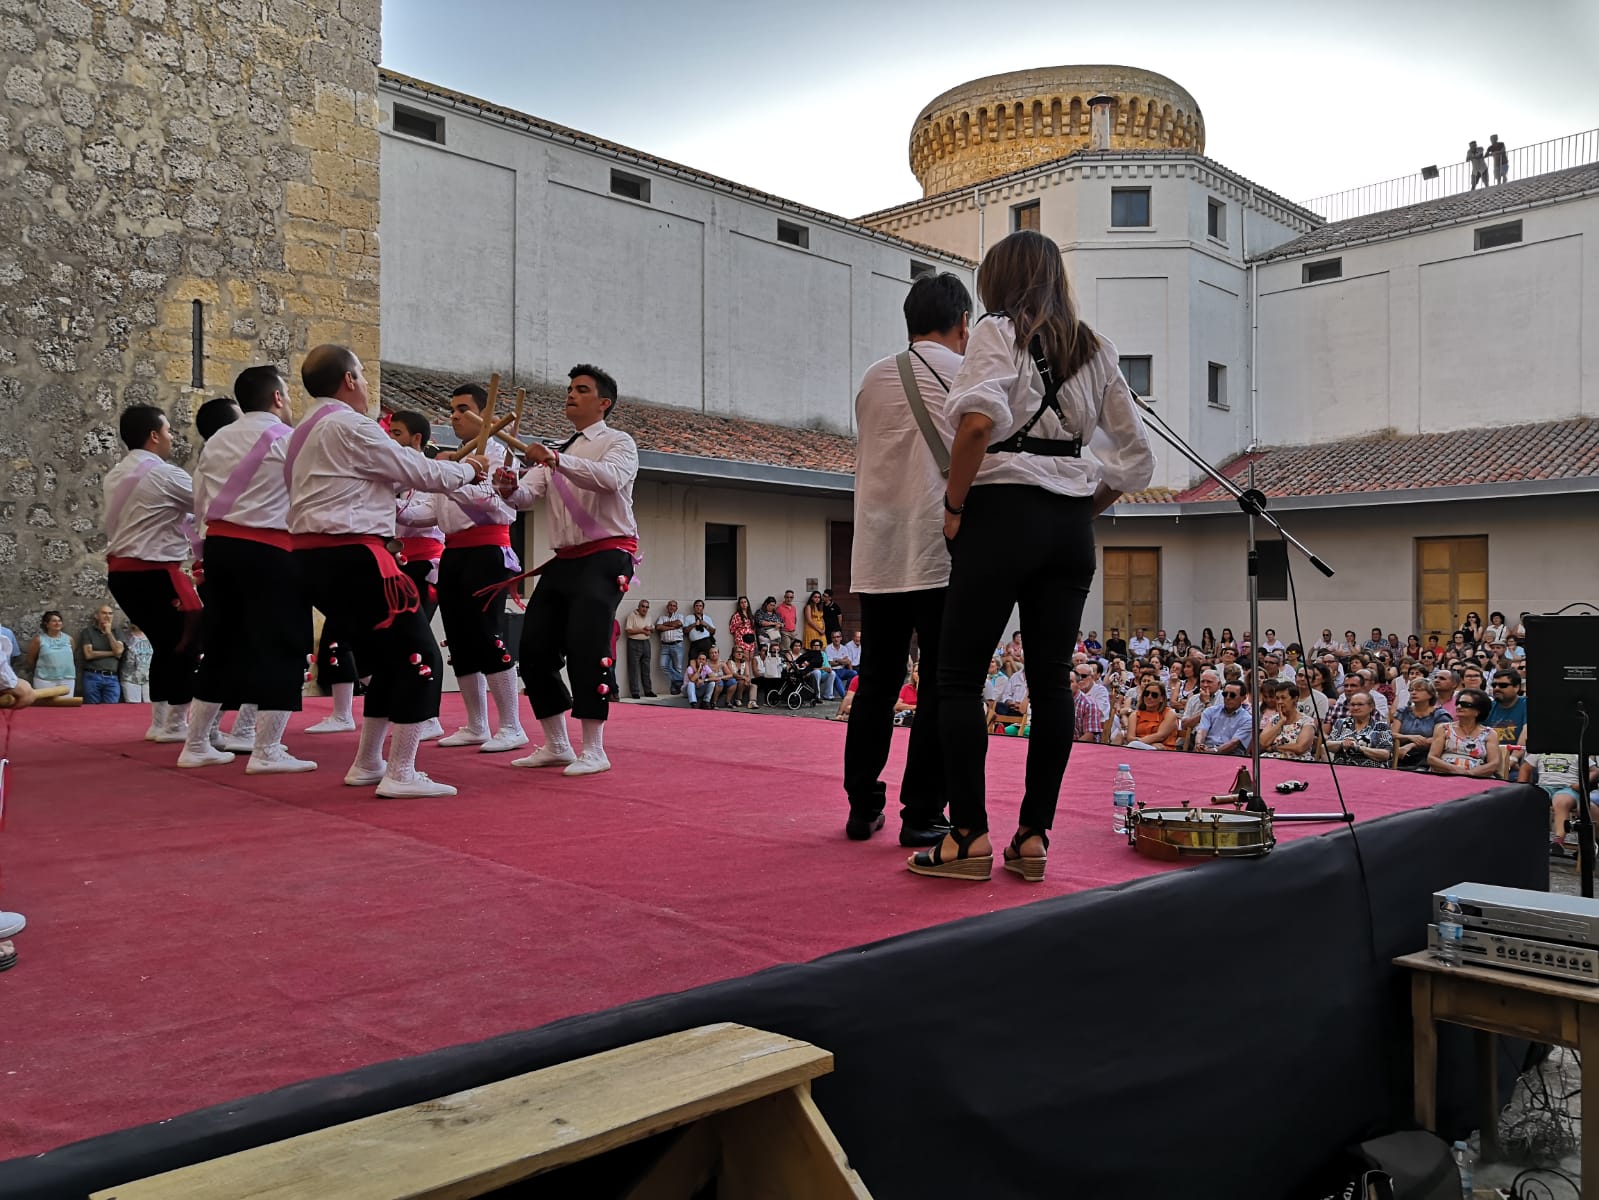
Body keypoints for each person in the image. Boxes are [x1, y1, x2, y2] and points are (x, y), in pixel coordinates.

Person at [911, 230, 1154, 883]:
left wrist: (954, 506)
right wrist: (1081, 507)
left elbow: (977, 424)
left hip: (999, 514)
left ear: (1000, 280)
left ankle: (966, 837)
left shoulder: (996, 329)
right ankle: (1032, 838)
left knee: (958, 678)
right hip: (1069, 528)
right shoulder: (1094, 348)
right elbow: (1134, 460)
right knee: (1050, 682)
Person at [287, 344, 488, 797]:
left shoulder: (304, 430)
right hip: (354, 557)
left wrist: (448, 467)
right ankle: (402, 771)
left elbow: (386, 476)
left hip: (314, 558)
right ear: (351, 380)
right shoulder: (350, 425)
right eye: (361, 374)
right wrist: (469, 469)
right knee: (421, 657)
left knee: (385, 660)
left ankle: (369, 761)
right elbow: (418, 473)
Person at [845, 271, 970, 845]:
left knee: (876, 682)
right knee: (943, 685)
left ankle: (861, 805)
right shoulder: (964, 373)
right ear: (962, 322)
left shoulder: (872, 378)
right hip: (936, 548)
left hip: (877, 547)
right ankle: (921, 813)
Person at [494, 364, 638, 777]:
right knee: (534, 648)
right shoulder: (559, 447)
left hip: (607, 554)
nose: (571, 394)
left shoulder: (618, 442)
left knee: (587, 645)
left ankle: (594, 747)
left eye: (582, 389)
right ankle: (556, 743)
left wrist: (556, 460)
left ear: (603, 402)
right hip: (565, 558)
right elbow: (525, 496)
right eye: (570, 388)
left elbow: (611, 480)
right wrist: (507, 485)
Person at [181, 365, 317, 772]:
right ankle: (267, 749)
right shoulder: (289, 440)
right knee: (286, 644)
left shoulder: (218, 440)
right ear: (277, 397)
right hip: (271, 549)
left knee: (222, 644)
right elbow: (308, 495)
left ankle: (196, 742)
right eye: (288, 395)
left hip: (221, 547)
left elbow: (199, 501)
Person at [417, 384, 528, 754]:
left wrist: (452, 478)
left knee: (486, 633)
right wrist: (393, 512)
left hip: (487, 552)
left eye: (463, 408)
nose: (454, 416)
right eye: (452, 409)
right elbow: (429, 514)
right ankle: (476, 723)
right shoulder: (452, 460)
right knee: (459, 638)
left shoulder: (501, 457)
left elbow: (494, 506)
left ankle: (511, 725)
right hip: (453, 555)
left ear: (487, 416)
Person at [104, 405, 203, 743]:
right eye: (169, 430)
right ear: (154, 435)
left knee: (164, 644)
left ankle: (161, 721)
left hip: (122, 573)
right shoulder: (164, 474)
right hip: (155, 571)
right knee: (185, 643)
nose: (172, 437)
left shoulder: (115, 474)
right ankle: (175, 723)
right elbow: (207, 504)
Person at [389, 410, 448, 741]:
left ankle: (430, 714)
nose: (390, 439)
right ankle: (405, 706)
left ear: (416, 440)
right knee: (398, 638)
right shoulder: (394, 476)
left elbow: (428, 516)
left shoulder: (430, 475)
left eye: (397, 433)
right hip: (396, 562)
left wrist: (392, 505)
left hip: (425, 563)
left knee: (419, 636)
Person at [1428, 687, 1501, 778]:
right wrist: (1456, 770)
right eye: (1458, 703)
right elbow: (1432, 758)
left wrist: (1470, 774)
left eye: (1465, 704)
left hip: (1476, 777)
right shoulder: (1443, 728)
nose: (1459, 707)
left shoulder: (1490, 734)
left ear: (1478, 711)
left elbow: (1494, 764)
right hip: (1444, 774)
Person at [1392, 678, 1450, 770]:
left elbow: (1439, 739)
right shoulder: (1403, 711)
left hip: (1427, 756)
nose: (1413, 693)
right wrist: (1410, 737)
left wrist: (1412, 745)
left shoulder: (1440, 714)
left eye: (1419, 690)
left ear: (1431, 694)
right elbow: (1392, 734)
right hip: (1401, 754)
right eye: (1411, 690)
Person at [1325, 692, 1392, 767]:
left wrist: (1359, 748)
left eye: (1360, 704)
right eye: (1353, 705)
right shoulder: (1341, 723)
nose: (1356, 708)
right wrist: (1342, 743)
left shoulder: (1381, 726)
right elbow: (1327, 745)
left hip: (1371, 771)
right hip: (1342, 768)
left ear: (1371, 707)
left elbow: (1386, 754)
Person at [78, 604, 124, 704]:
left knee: (112, 711)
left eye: (110, 614)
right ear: (96, 616)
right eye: (104, 613)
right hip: (92, 676)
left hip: (112, 678)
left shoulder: (117, 632)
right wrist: (112, 653)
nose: (107, 616)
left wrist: (108, 633)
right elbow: (89, 654)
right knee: (92, 710)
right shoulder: (88, 632)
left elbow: (119, 651)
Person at [25, 610, 77, 697]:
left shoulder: (69, 639)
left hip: (67, 679)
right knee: (46, 708)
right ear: (46, 624)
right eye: (54, 621)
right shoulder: (38, 640)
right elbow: (30, 659)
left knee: (65, 707)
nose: (57, 623)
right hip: (45, 680)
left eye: (59, 621)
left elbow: (72, 654)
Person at [1261, 681, 1316, 760]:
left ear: (1295, 699)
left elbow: (1300, 748)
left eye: (1283, 698)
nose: (1279, 702)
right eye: (1277, 698)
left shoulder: (1306, 721)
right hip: (1272, 759)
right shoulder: (1274, 720)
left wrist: (1274, 748)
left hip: (1297, 761)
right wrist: (1280, 722)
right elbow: (1263, 743)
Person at [1195, 683, 1255, 756]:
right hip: (1206, 751)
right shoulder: (1210, 711)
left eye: (1232, 695)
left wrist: (1213, 751)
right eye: (1225, 694)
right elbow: (1201, 731)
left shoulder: (1248, 720)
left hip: (1232, 756)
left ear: (1243, 698)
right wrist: (1199, 744)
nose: (1228, 697)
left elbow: (1234, 744)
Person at [623, 598, 657, 699]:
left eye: (647, 607)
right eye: (643, 606)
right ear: (639, 607)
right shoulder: (632, 615)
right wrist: (642, 631)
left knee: (646, 668)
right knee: (633, 668)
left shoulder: (649, 615)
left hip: (646, 642)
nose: (645, 609)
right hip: (634, 643)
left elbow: (651, 628)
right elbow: (628, 630)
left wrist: (650, 629)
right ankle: (635, 691)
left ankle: (648, 690)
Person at [654, 599, 686, 694]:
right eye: (670, 605)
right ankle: (683, 681)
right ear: (667, 607)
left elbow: (679, 623)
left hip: (677, 645)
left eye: (674, 605)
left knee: (677, 668)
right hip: (665, 646)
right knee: (663, 665)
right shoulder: (662, 617)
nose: (672, 607)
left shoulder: (680, 616)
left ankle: (675, 689)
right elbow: (658, 627)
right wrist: (672, 626)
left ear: (676, 608)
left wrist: (665, 625)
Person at [119, 622, 153, 703]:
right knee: (133, 707)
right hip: (130, 678)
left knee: (149, 708)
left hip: (148, 678)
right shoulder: (125, 636)